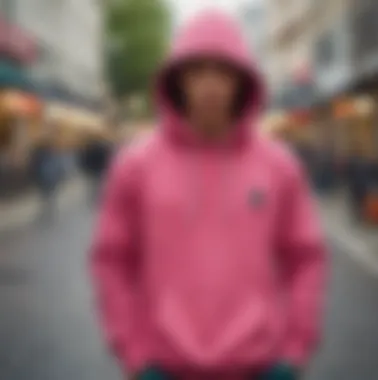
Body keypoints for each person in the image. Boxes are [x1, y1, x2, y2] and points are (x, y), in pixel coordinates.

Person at [90, 10, 326, 380]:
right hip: (164, 368)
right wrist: (135, 354)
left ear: (241, 80)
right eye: (197, 70)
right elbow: (112, 261)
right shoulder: (135, 166)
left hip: (259, 367)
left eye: (223, 71)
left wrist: (293, 351)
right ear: (178, 78)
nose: (210, 85)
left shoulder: (279, 167)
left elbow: (305, 258)